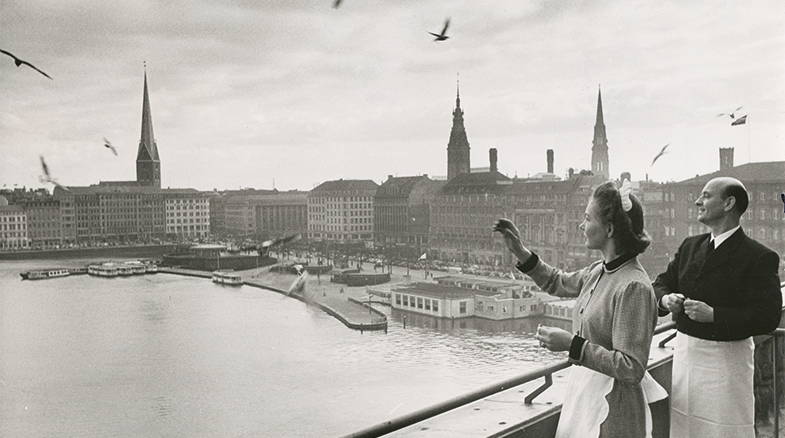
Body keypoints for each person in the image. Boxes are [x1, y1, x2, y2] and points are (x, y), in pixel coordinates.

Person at [495, 180, 665, 438]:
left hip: (613, 409)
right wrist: (519, 251)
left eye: (587, 218)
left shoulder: (634, 286)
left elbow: (631, 367)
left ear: (609, 229)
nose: (581, 225)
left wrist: (572, 345)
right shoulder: (599, 270)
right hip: (586, 395)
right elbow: (557, 282)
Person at [653, 177, 781, 438]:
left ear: (728, 203)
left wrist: (715, 315)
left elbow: (768, 317)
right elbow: (661, 284)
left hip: (726, 366)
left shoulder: (758, 256)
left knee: (724, 428)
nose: (698, 202)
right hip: (686, 360)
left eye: (706, 195)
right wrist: (666, 300)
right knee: (685, 427)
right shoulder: (690, 246)